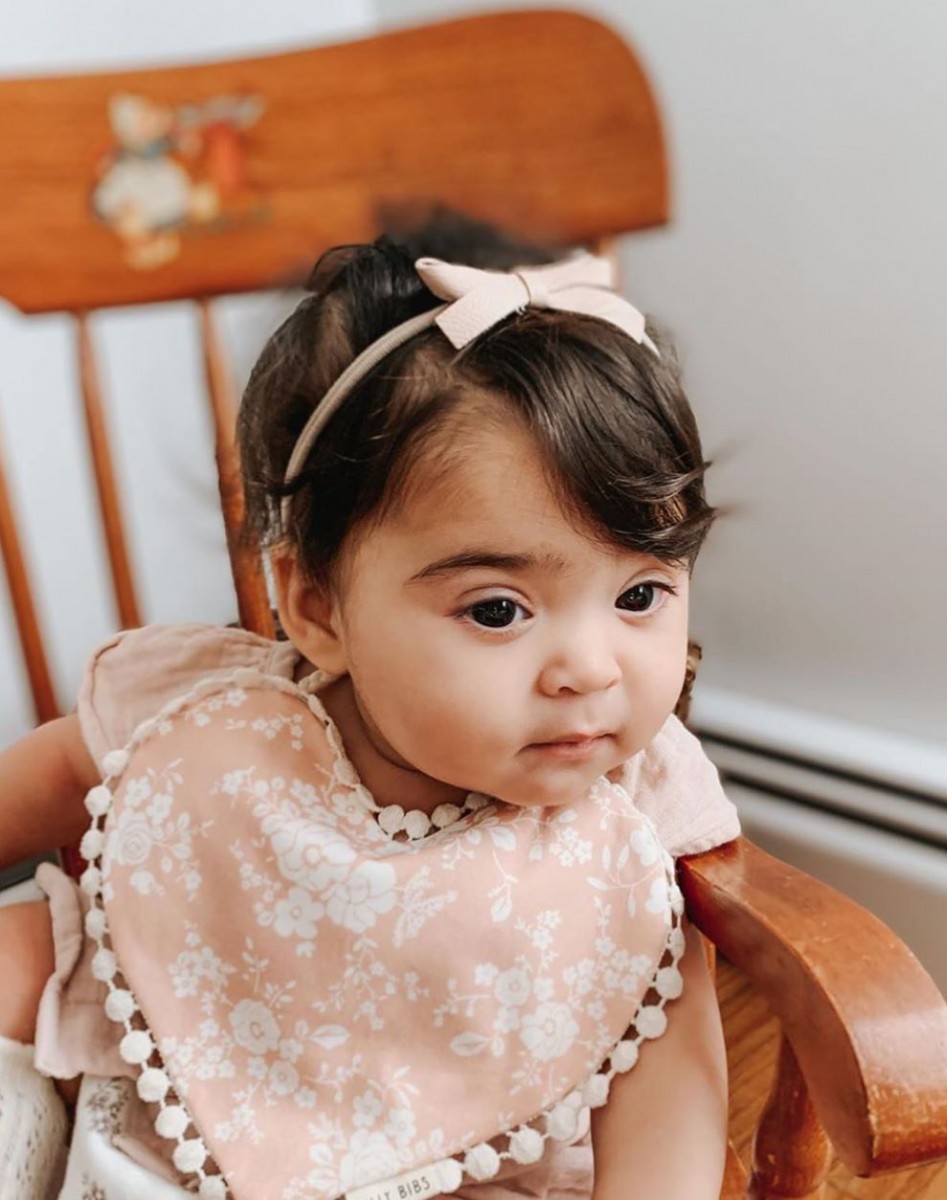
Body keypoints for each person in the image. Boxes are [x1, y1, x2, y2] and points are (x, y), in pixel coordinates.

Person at [0, 216, 740, 1200]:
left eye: (640, 594)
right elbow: (55, 774)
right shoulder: (218, 723)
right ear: (317, 609)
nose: (589, 669)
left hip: (473, 1166)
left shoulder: (629, 825)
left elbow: (669, 1091)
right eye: (497, 609)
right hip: (165, 1099)